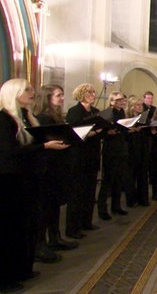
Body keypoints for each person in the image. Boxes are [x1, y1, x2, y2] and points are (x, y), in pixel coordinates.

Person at [0, 79, 69, 292]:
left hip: (26, 177)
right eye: (27, 89)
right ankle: (0, 279)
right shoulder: (1, 118)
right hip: (7, 178)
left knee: (25, 226)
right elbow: (9, 151)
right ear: (15, 92)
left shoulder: (26, 116)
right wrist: (45, 145)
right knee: (6, 229)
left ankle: (21, 269)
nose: (32, 92)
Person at [34, 85, 78, 263]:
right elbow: (43, 140)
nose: (62, 98)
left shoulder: (56, 116)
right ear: (47, 98)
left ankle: (55, 237)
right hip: (47, 166)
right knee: (45, 207)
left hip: (58, 164)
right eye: (58, 95)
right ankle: (41, 244)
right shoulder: (42, 118)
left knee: (54, 205)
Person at [65, 83, 103, 239]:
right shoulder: (74, 111)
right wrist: (93, 133)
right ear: (81, 94)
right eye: (90, 92)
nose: (93, 95)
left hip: (92, 154)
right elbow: (73, 133)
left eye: (94, 92)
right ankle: (73, 228)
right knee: (77, 192)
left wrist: (101, 131)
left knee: (89, 190)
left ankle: (86, 221)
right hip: (79, 155)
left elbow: (101, 130)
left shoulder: (95, 111)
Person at [98, 92, 130, 220]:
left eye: (122, 100)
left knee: (119, 178)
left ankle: (116, 206)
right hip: (110, 149)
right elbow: (101, 130)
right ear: (111, 102)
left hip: (121, 148)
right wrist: (108, 132)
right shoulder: (107, 113)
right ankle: (102, 209)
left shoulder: (122, 113)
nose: (121, 102)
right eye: (118, 100)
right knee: (108, 180)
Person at [125, 95, 150, 207]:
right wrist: (132, 130)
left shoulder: (143, 118)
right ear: (131, 106)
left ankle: (143, 199)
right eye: (137, 105)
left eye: (141, 105)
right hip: (131, 149)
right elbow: (123, 135)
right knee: (131, 176)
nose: (140, 107)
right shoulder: (126, 119)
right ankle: (131, 199)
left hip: (142, 148)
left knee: (143, 174)